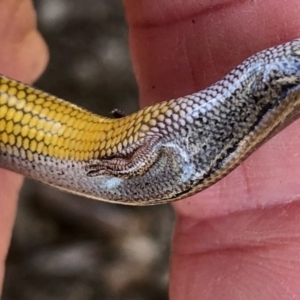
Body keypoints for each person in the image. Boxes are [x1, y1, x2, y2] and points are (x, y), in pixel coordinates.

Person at [1, 0, 300, 298]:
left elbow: (139, 165)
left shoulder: (263, 84)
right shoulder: (255, 88)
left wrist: (125, 161)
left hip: (108, 159)